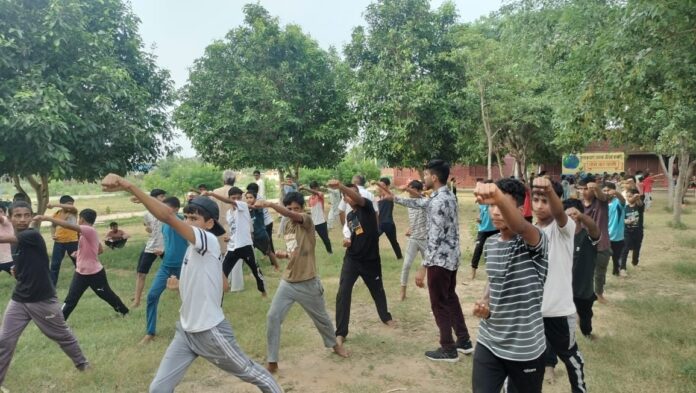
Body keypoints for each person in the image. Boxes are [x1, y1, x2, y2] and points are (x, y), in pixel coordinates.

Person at [100, 174, 282, 393]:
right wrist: (182, 285)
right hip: (185, 332)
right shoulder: (195, 249)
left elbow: (167, 216)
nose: (187, 223)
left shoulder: (206, 240)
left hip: (210, 332)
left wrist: (128, 185)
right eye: (185, 217)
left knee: (254, 374)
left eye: (193, 219)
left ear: (209, 223)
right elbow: (223, 285)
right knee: (158, 389)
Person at [379, 159, 472, 362]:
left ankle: (448, 348)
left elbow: (436, 237)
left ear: (434, 177)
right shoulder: (445, 195)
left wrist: (423, 266)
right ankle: (464, 341)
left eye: (426, 174)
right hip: (451, 258)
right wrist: (393, 198)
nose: (424, 178)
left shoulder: (439, 200)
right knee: (450, 298)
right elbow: (422, 203)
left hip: (439, 260)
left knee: (439, 303)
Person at [0, 201, 89, 391]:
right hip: (20, 299)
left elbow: (5, 238)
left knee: (61, 335)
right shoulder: (17, 238)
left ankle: (83, 365)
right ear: (10, 218)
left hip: (42, 299)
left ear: (31, 217)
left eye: (26, 215)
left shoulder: (31, 235)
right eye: (17, 215)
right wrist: (18, 270)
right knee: (4, 341)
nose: (22, 219)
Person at [256, 192, 349, 374]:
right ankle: (272, 360)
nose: (291, 211)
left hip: (308, 282)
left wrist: (271, 205)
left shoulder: (306, 221)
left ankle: (335, 345)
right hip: (288, 282)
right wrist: (285, 254)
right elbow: (294, 250)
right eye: (288, 208)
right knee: (272, 317)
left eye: (295, 208)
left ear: (302, 209)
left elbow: (294, 216)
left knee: (321, 319)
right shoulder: (287, 226)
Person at [471, 179, 549, 393]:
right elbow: (493, 279)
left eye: (502, 205)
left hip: (525, 349)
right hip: (489, 340)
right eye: (492, 206)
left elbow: (521, 226)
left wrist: (496, 195)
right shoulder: (491, 243)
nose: (495, 212)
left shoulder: (534, 240)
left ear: (519, 208)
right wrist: (485, 301)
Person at [520, 177, 586, 392]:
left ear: (557, 201)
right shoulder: (529, 231)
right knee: (529, 363)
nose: (539, 206)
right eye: (536, 200)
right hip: (533, 312)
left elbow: (559, 213)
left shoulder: (564, 229)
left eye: (545, 200)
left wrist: (550, 191)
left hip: (558, 311)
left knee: (570, 356)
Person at [329, 179, 394, 346]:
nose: (350, 197)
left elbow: (357, 199)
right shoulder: (350, 216)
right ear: (344, 199)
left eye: (353, 193)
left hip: (370, 261)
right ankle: (341, 333)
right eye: (346, 195)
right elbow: (353, 233)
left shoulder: (367, 208)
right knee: (343, 293)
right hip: (352, 259)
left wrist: (342, 187)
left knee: (377, 290)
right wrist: (347, 241)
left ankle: (385, 317)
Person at [34, 209, 129, 320]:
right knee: (71, 298)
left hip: (95, 273)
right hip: (81, 273)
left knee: (106, 294)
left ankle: (124, 311)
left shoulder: (89, 230)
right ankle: (59, 319)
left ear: (82, 219)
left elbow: (68, 226)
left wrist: (47, 218)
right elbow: (99, 249)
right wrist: (79, 253)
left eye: (79, 218)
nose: (78, 220)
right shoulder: (86, 233)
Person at [141, 197, 189, 344]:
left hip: (183, 267)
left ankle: (192, 329)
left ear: (174, 209)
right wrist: (163, 252)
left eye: (164, 208)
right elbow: (171, 243)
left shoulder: (182, 221)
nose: (160, 211)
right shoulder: (164, 225)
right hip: (166, 267)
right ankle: (150, 332)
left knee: (188, 299)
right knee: (152, 296)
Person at [205, 188, 267, 296]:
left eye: (239, 197)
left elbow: (230, 202)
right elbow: (235, 229)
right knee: (222, 273)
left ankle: (263, 290)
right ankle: (218, 294)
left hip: (245, 246)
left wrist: (211, 193)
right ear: (229, 198)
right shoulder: (229, 213)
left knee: (255, 271)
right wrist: (230, 238)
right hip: (232, 247)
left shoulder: (242, 206)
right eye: (233, 198)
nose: (236, 200)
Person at [563, 198, 600, 339]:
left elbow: (594, 228)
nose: (571, 217)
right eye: (567, 215)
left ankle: (586, 332)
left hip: (584, 288)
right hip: (564, 288)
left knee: (586, 315)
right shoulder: (561, 237)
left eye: (574, 215)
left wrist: (582, 216)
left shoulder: (588, 237)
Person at [576, 176, 611, 303]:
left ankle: (599, 293)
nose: (584, 192)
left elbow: (602, 196)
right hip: (583, 244)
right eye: (581, 189)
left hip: (602, 243)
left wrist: (597, 188)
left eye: (587, 189)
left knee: (600, 271)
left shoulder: (601, 202)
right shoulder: (578, 205)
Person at [133, 189, 167, 308]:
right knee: (141, 273)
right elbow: (149, 227)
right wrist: (149, 229)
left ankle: (183, 294)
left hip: (165, 246)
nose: (164, 198)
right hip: (151, 246)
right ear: (153, 198)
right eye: (161, 196)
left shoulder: (166, 212)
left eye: (164, 196)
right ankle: (137, 300)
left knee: (175, 271)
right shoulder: (147, 214)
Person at [396, 180, 427, 301]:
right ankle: (402, 291)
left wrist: (406, 188)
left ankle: (427, 285)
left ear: (419, 190)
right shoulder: (409, 202)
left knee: (430, 266)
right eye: (409, 189)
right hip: (413, 239)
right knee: (406, 265)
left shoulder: (424, 201)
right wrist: (410, 228)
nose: (409, 192)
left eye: (412, 189)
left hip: (426, 239)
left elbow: (422, 198)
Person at [471, 179, 499, 280]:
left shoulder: (496, 199)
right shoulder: (481, 200)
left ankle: (496, 272)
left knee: (496, 251)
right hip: (483, 228)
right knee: (478, 249)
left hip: (495, 229)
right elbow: (481, 211)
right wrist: (479, 217)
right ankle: (473, 271)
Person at [48, 195, 79, 285]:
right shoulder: (56, 214)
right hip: (59, 242)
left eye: (72, 204)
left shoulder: (73, 212)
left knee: (78, 263)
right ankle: (52, 285)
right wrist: (53, 235)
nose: (70, 206)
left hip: (72, 241)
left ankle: (86, 280)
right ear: (62, 204)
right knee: (55, 264)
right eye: (68, 204)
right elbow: (53, 225)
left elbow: (71, 207)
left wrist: (54, 205)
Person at [246, 191, 280, 271]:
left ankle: (277, 266)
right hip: (252, 237)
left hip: (261, 235)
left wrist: (247, 205)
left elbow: (257, 205)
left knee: (268, 252)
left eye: (251, 197)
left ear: (255, 198)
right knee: (251, 254)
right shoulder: (247, 210)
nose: (248, 199)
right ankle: (255, 270)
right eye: (247, 198)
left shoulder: (258, 208)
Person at [300, 181, 333, 254]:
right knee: (307, 238)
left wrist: (304, 188)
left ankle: (329, 252)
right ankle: (306, 252)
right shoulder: (310, 198)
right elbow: (311, 209)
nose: (313, 190)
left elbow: (316, 193)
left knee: (325, 239)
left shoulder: (320, 195)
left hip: (321, 222)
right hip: (312, 222)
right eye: (312, 188)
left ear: (317, 187)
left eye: (315, 188)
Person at [603, 182, 626, 277]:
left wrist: (616, 193)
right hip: (604, 236)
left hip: (617, 237)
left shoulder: (618, 203)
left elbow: (623, 200)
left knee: (616, 258)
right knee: (603, 259)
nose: (606, 192)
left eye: (608, 190)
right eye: (604, 190)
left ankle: (617, 270)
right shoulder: (601, 203)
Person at [376, 178, 403, 260]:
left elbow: (390, 194)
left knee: (394, 242)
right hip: (380, 224)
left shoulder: (389, 196)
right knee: (373, 239)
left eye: (383, 185)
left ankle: (400, 257)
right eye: (380, 185)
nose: (381, 187)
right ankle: (373, 256)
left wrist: (378, 184)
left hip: (388, 223)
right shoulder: (378, 197)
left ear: (387, 186)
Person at [620, 187, 645, 273]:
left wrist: (637, 197)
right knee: (625, 248)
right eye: (626, 196)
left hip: (638, 231)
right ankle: (622, 268)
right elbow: (621, 220)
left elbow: (640, 203)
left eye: (630, 196)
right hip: (627, 231)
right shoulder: (625, 207)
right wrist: (626, 221)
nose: (628, 198)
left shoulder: (639, 206)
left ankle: (635, 263)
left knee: (636, 248)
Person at [247, 183, 275, 253]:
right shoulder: (256, 197)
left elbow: (255, 207)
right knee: (267, 242)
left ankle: (271, 255)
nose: (248, 198)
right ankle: (267, 253)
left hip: (266, 222)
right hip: (266, 222)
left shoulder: (257, 199)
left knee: (268, 242)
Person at [0, 206, 13, 276]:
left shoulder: (6, 220)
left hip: (9, 259)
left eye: (0, 211)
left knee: (23, 279)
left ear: (5, 213)